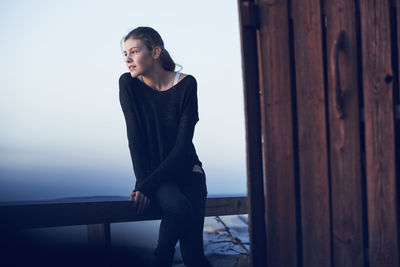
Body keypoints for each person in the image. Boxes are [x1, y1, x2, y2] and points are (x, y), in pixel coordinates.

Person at [118, 26, 214, 267]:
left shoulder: (187, 85)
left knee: (194, 256)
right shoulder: (129, 85)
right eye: (125, 53)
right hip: (157, 176)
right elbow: (135, 139)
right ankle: (161, 260)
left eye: (134, 51)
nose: (128, 59)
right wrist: (145, 184)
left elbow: (183, 146)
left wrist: (144, 187)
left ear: (156, 52)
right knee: (179, 208)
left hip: (188, 171)